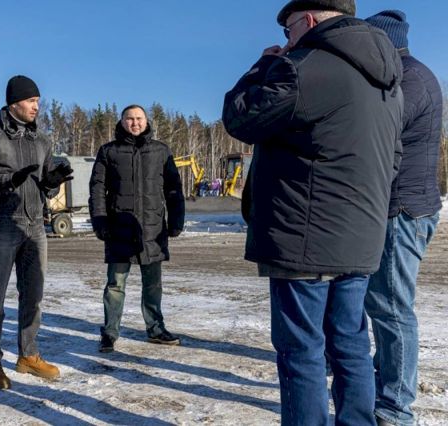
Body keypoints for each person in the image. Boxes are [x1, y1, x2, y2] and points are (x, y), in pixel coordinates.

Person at [221, 0, 404, 424]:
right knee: (351, 346)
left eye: (287, 31)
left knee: (302, 350)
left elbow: (240, 118)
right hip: (360, 238)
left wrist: (261, 66)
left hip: (304, 238)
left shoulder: (302, 68)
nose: (287, 40)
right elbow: (393, 158)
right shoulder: (388, 81)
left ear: (306, 20)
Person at [363, 10, 443, 426]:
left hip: (402, 210)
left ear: (385, 44)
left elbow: (378, 130)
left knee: (391, 308)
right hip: (402, 206)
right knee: (384, 304)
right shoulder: (407, 76)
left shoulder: (409, 80)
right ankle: (386, 384)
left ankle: (395, 408)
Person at [0, 75, 72, 389]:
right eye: (31, 101)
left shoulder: (41, 140)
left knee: (33, 296)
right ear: (14, 103)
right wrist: (10, 180)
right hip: (2, 224)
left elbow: (45, 187)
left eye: (38, 101)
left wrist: (52, 182)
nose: (36, 106)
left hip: (35, 225)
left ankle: (28, 355)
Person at [89, 104, 185, 353]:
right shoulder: (108, 151)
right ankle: (110, 332)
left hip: (152, 230)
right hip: (119, 229)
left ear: (146, 121)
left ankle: (156, 329)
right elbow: (97, 189)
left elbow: (174, 189)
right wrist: (99, 221)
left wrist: (177, 220)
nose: (135, 123)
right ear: (122, 122)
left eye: (139, 118)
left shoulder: (161, 151)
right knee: (115, 285)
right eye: (130, 119)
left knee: (153, 284)